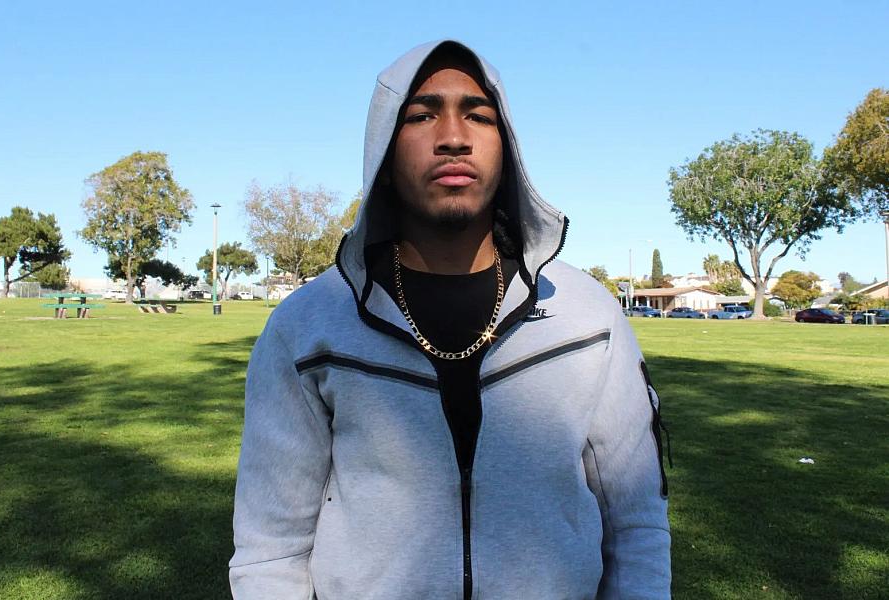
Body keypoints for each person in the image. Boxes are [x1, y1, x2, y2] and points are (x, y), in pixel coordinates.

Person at [229, 40, 671, 599]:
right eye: (422, 115)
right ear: (384, 154)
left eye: (478, 116)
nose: (454, 137)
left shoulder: (587, 318)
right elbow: (271, 549)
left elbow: (637, 527)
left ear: (506, 149)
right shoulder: (307, 327)